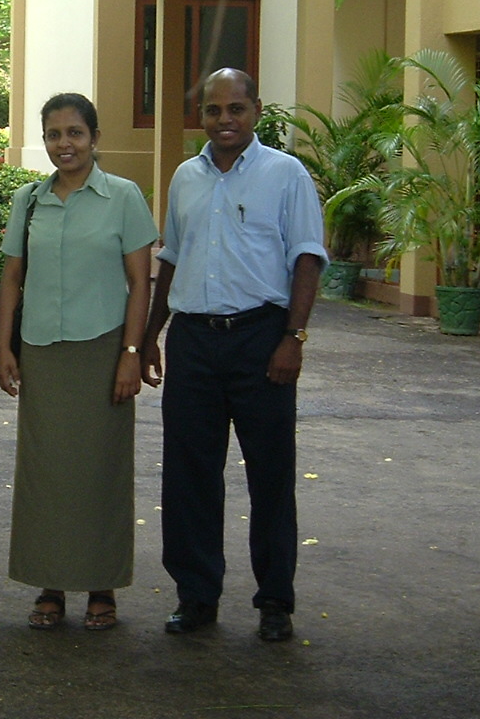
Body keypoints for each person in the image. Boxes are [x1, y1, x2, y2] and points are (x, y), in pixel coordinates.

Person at [141, 68, 326, 643]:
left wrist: (292, 339)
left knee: (270, 474)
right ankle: (197, 595)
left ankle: (275, 601)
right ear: (201, 114)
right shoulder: (184, 177)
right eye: (215, 110)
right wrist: (150, 335)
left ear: (257, 111)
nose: (226, 120)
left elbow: (307, 259)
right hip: (194, 340)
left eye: (237, 109)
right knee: (190, 475)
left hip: (261, 338)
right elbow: (171, 256)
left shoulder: (286, 174)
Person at [0, 92, 158, 630]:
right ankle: (49, 584)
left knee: (101, 471)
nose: (64, 144)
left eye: (74, 133)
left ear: (94, 138)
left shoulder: (123, 196)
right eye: (53, 134)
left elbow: (140, 283)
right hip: (42, 352)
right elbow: (12, 280)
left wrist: (131, 354)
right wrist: (4, 347)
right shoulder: (30, 200)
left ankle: (102, 585)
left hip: (103, 349)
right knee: (46, 472)